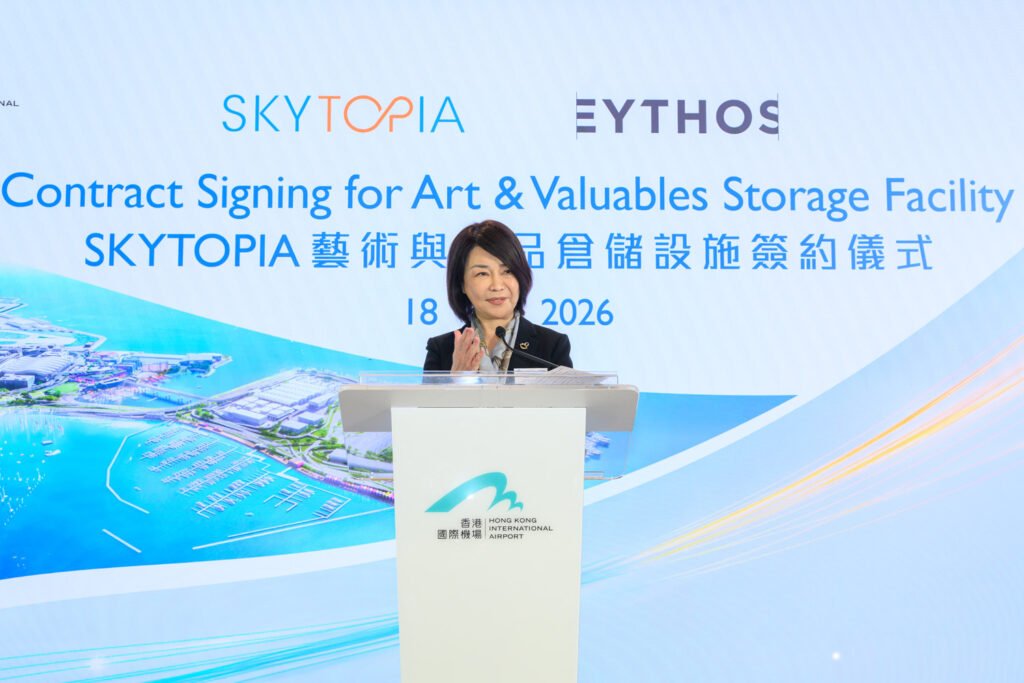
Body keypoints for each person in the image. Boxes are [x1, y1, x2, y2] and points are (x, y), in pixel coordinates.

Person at [423, 220, 572, 372]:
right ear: (461, 284)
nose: (497, 286)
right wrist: (457, 378)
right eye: (482, 274)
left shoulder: (552, 346)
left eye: (507, 271)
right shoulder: (441, 349)